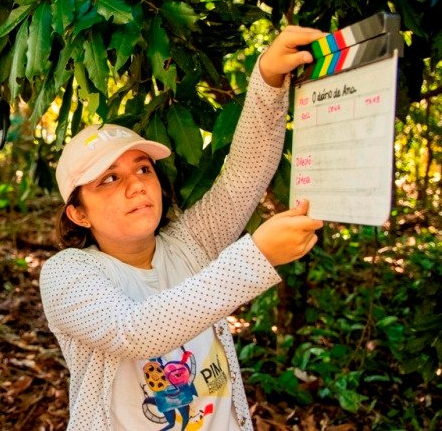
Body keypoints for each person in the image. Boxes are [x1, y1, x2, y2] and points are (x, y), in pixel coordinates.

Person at [40, 25, 326, 431]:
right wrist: (256, 257)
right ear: (78, 214)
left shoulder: (188, 244)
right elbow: (133, 331)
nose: (136, 184)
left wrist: (267, 81)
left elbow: (243, 178)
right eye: (109, 179)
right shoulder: (67, 273)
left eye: (143, 169)